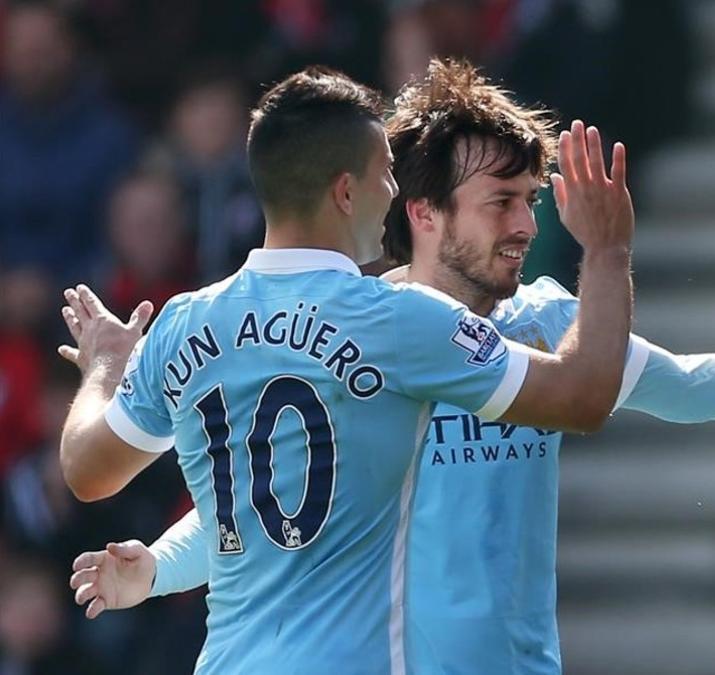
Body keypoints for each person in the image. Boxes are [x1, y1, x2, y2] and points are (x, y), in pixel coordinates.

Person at [67, 59, 715, 675]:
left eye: (532, 198)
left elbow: (695, 389)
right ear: (419, 210)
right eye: (501, 201)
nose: (526, 223)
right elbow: (280, 505)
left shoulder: (550, 323)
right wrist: (165, 566)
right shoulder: (385, 332)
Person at [57, 65, 638, 674]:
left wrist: (104, 368)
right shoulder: (401, 320)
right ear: (346, 193)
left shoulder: (184, 323)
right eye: (385, 171)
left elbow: (86, 471)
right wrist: (606, 249)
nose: (394, 190)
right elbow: (583, 397)